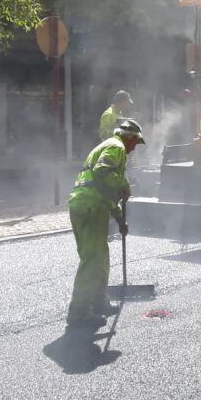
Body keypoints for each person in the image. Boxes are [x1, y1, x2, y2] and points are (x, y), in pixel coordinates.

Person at [66, 119, 145, 329]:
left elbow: (104, 191)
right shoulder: (116, 146)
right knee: (92, 260)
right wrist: (124, 184)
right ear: (129, 137)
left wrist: (120, 219)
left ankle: (98, 302)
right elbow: (103, 171)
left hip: (85, 205)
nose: (134, 148)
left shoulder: (109, 146)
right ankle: (79, 312)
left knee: (99, 257)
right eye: (135, 143)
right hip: (91, 207)